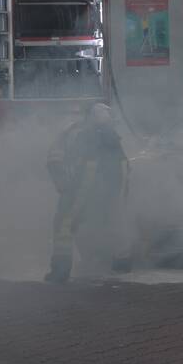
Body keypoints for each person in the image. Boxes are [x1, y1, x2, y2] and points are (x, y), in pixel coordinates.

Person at [44, 103, 132, 283]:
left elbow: (55, 159)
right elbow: (123, 166)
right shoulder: (111, 135)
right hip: (111, 183)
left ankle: (60, 269)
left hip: (84, 183)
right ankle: (122, 262)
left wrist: (64, 186)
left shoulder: (77, 132)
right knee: (114, 218)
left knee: (65, 223)